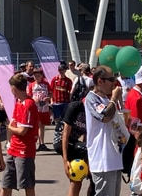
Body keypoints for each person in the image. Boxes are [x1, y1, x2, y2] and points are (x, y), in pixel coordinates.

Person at [84, 65, 124, 196]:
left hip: (114, 157)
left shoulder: (106, 98)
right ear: (100, 81)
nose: (114, 82)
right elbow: (105, 117)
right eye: (111, 79)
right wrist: (114, 99)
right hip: (102, 158)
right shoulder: (92, 98)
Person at [1, 73, 38, 196]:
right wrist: (10, 138)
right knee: (6, 184)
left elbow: (22, 130)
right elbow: (14, 123)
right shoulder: (18, 102)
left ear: (14, 88)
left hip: (24, 150)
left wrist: (10, 127)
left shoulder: (29, 104)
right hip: (13, 149)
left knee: (27, 185)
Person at [60, 97, 95, 196]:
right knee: (76, 179)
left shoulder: (92, 113)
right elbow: (65, 135)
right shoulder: (75, 107)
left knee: (78, 180)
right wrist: (65, 160)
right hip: (61, 141)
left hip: (75, 143)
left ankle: (92, 179)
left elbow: (87, 137)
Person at [26, 68, 51, 152]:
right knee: (36, 125)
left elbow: (51, 93)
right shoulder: (31, 85)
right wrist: (33, 99)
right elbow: (28, 95)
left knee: (42, 125)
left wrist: (48, 98)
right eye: (35, 76)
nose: (37, 77)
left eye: (38, 75)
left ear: (41, 76)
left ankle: (42, 143)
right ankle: (35, 143)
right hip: (35, 108)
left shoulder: (46, 84)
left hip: (44, 107)